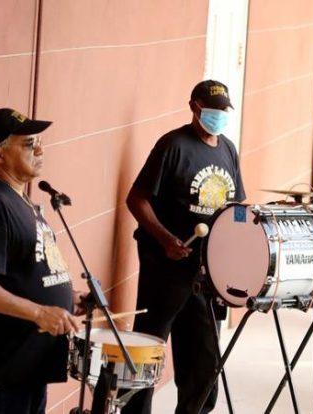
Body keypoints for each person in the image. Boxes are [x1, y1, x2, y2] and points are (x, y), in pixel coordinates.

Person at [123, 80, 246, 414]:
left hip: (206, 273)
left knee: (203, 361)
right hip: (165, 267)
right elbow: (136, 199)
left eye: (224, 110)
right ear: (194, 106)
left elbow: (236, 206)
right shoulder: (172, 145)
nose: (219, 116)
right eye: (213, 109)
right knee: (147, 352)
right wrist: (165, 239)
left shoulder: (228, 149)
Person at [0, 108, 85, 414]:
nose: (39, 149)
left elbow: (25, 270)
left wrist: (71, 298)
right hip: (6, 364)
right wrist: (40, 311)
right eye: (28, 144)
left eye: (38, 141)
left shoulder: (18, 198)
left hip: (30, 364)